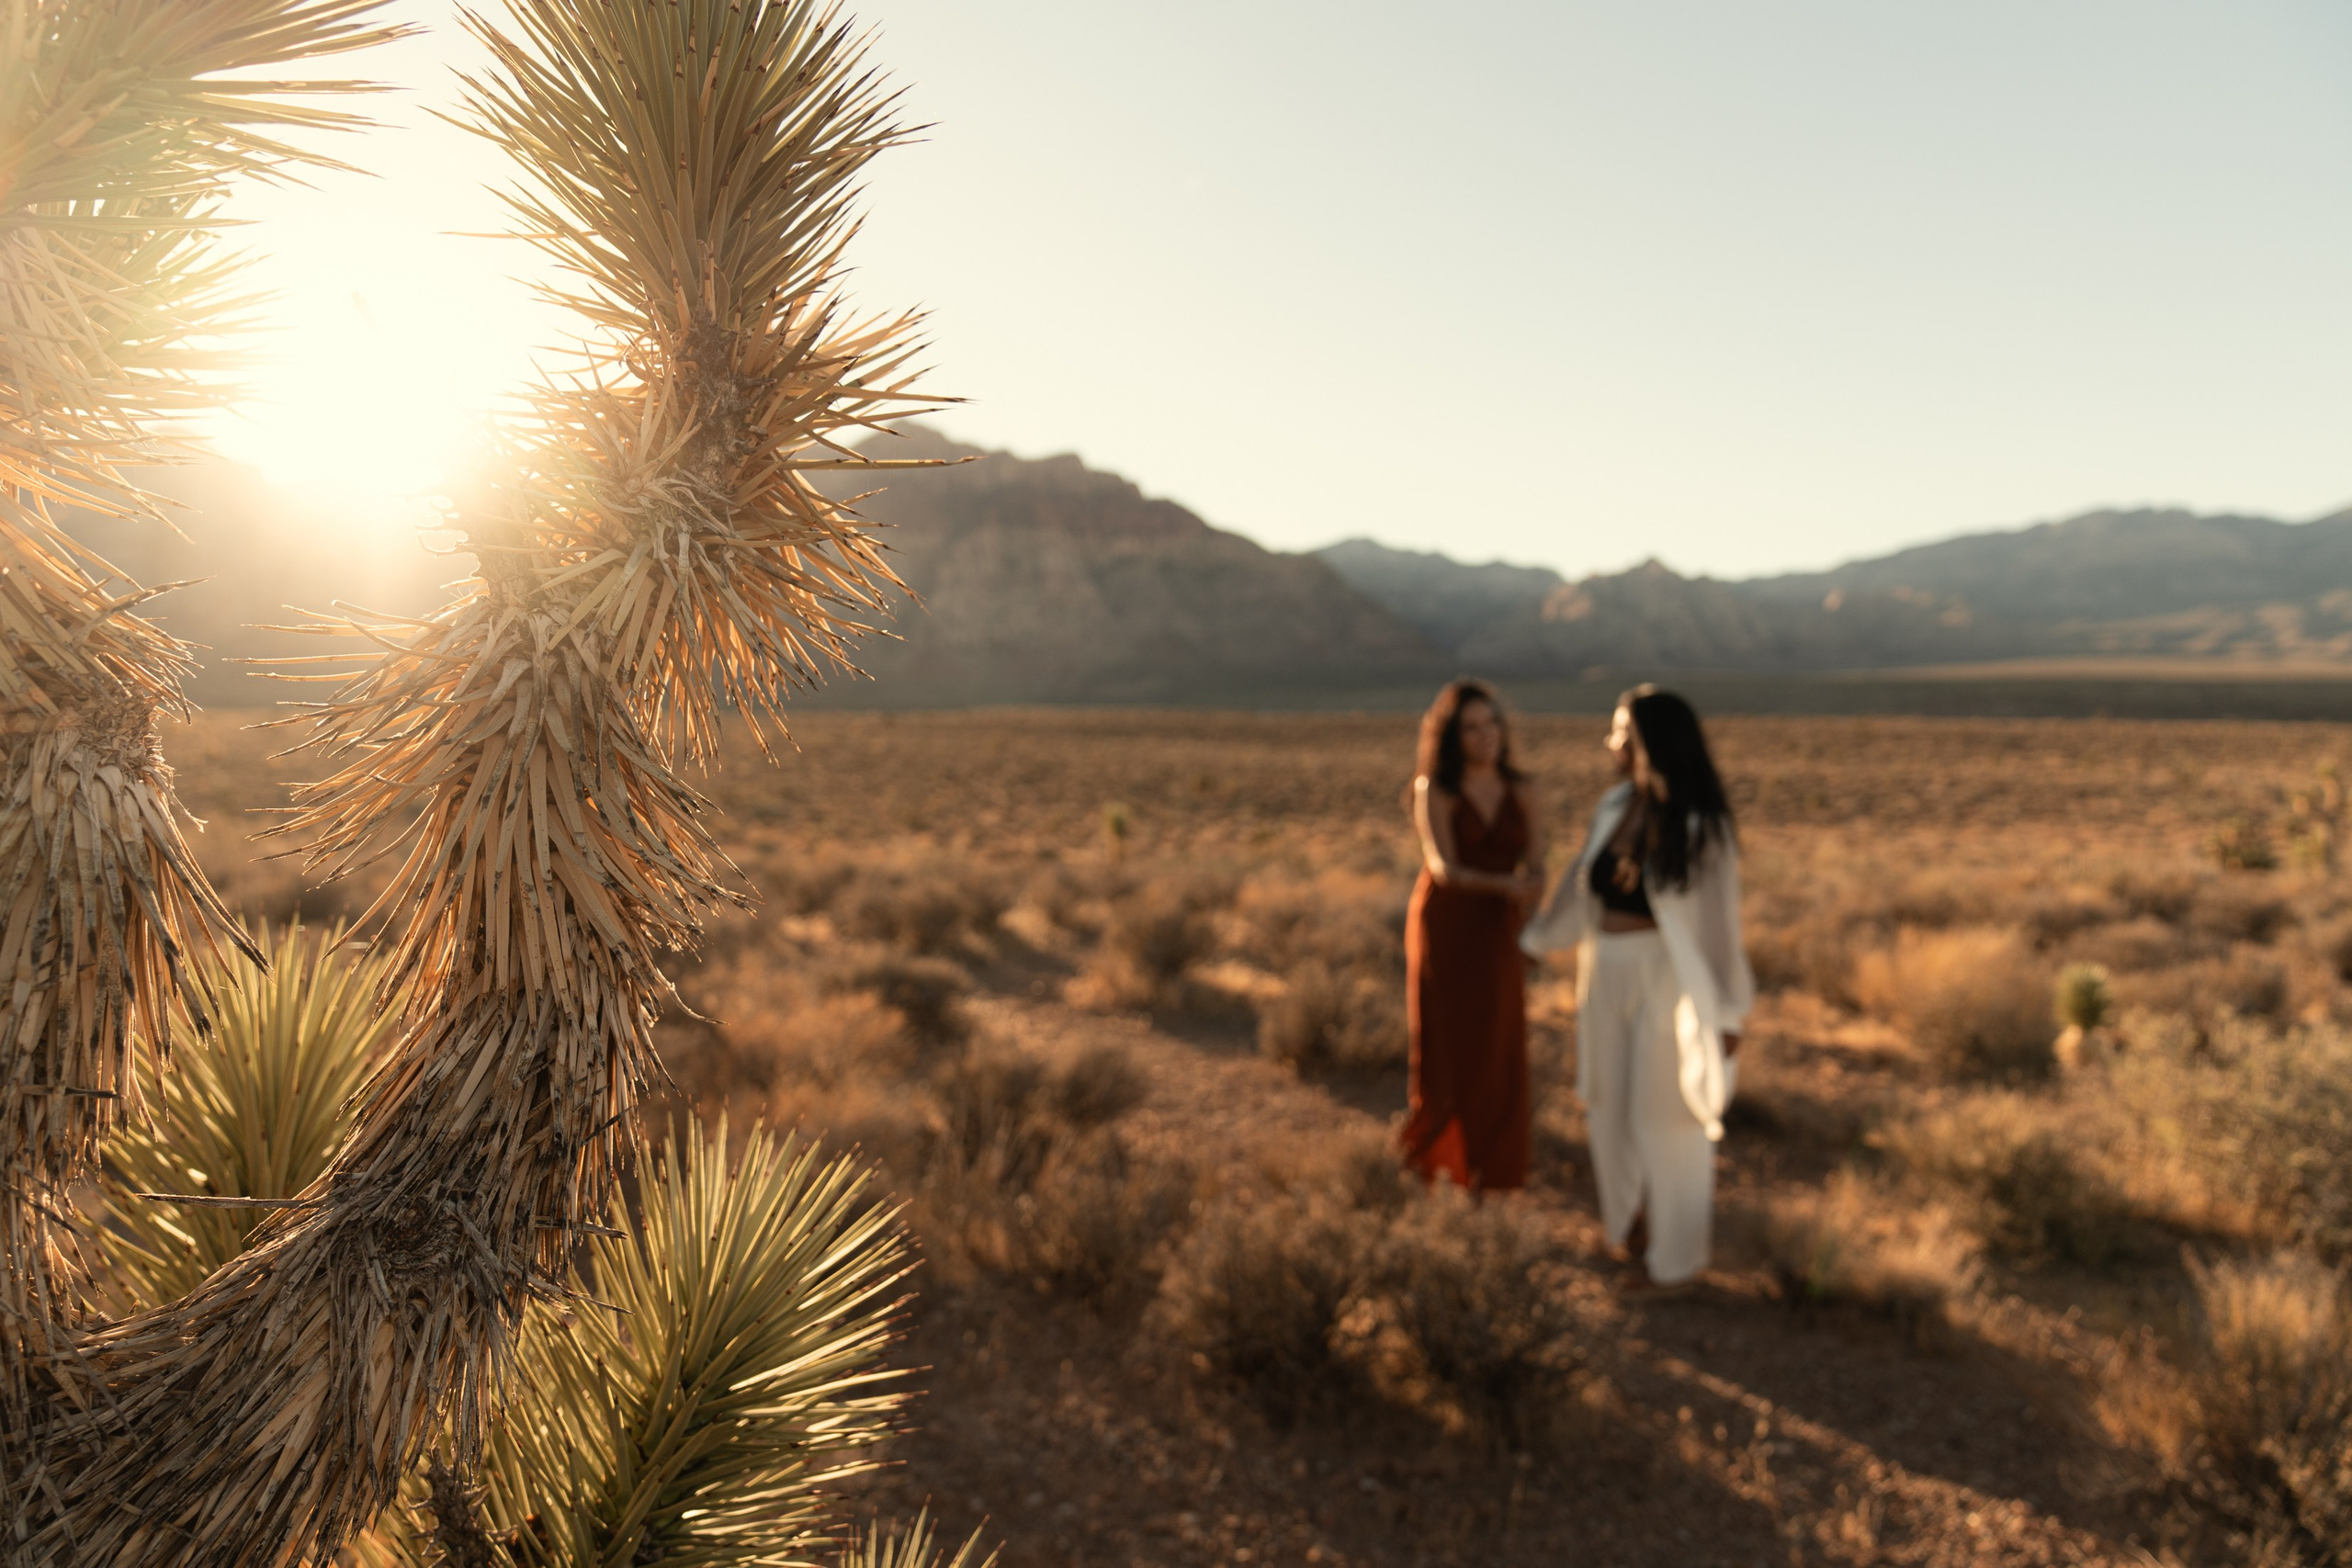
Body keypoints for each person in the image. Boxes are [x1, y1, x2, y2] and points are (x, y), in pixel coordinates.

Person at [1521, 685, 1752, 1290]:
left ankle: (1675, 1257)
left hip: (1668, 979)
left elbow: (1721, 928)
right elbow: (1581, 883)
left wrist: (1730, 1016)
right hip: (1605, 970)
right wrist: (1538, 940)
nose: (1611, 742)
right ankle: (1625, 1229)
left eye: (1620, 731)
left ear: (1649, 740)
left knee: (1666, 1114)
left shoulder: (1703, 825)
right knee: (1607, 1104)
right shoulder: (1613, 805)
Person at [1399, 679, 1546, 1191]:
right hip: (1447, 925)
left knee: (1500, 1043)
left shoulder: (1524, 789)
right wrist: (1508, 886)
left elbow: (1539, 867)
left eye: (1492, 723)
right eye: (1471, 728)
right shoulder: (1433, 789)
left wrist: (1530, 931)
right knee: (1445, 1041)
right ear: (1450, 737)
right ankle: (1443, 1164)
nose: (1486, 735)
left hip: (1500, 928)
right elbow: (1444, 868)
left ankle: (1496, 1171)